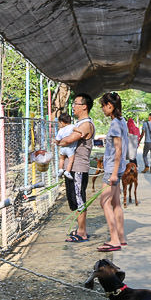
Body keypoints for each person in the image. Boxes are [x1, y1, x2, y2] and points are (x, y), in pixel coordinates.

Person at [57, 93, 96, 242]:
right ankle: (80, 228)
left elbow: (67, 140)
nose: (73, 106)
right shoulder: (78, 124)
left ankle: (82, 232)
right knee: (73, 198)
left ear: (84, 106)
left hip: (79, 167)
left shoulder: (86, 125)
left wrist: (59, 141)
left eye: (76, 104)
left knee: (79, 199)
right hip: (71, 168)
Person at [97, 91, 129, 252]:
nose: (102, 109)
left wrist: (114, 173)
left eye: (103, 106)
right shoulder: (121, 121)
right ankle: (121, 238)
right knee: (116, 203)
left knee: (104, 202)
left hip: (112, 170)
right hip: (118, 168)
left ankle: (114, 239)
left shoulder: (115, 124)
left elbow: (118, 150)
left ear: (110, 106)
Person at [55, 112, 77, 179]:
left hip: (62, 148)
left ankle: (60, 169)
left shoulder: (60, 130)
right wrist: (81, 132)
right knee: (71, 160)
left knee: (61, 159)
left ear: (62, 122)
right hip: (69, 149)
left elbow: (57, 140)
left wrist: (57, 142)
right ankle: (67, 171)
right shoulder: (72, 126)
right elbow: (76, 130)